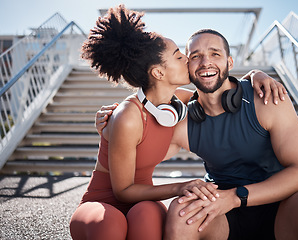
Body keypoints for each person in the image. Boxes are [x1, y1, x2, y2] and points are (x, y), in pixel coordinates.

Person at [97, 29, 298, 239]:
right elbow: (141, 134)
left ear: (229, 62)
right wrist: (111, 126)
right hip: (222, 216)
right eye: (195, 56)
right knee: (181, 211)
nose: (205, 62)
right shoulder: (181, 118)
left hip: (282, 210)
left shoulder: (266, 98)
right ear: (187, 65)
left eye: (215, 54)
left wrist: (234, 197)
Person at [70, 5, 285, 240]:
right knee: (110, 224)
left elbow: (222, 88)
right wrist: (180, 186)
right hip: (104, 203)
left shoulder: (177, 101)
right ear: (159, 73)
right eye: (179, 56)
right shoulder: (129, 116)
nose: (188, 61)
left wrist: (256, 75)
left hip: (141, 202)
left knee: (147, 216)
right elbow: (122, 192)